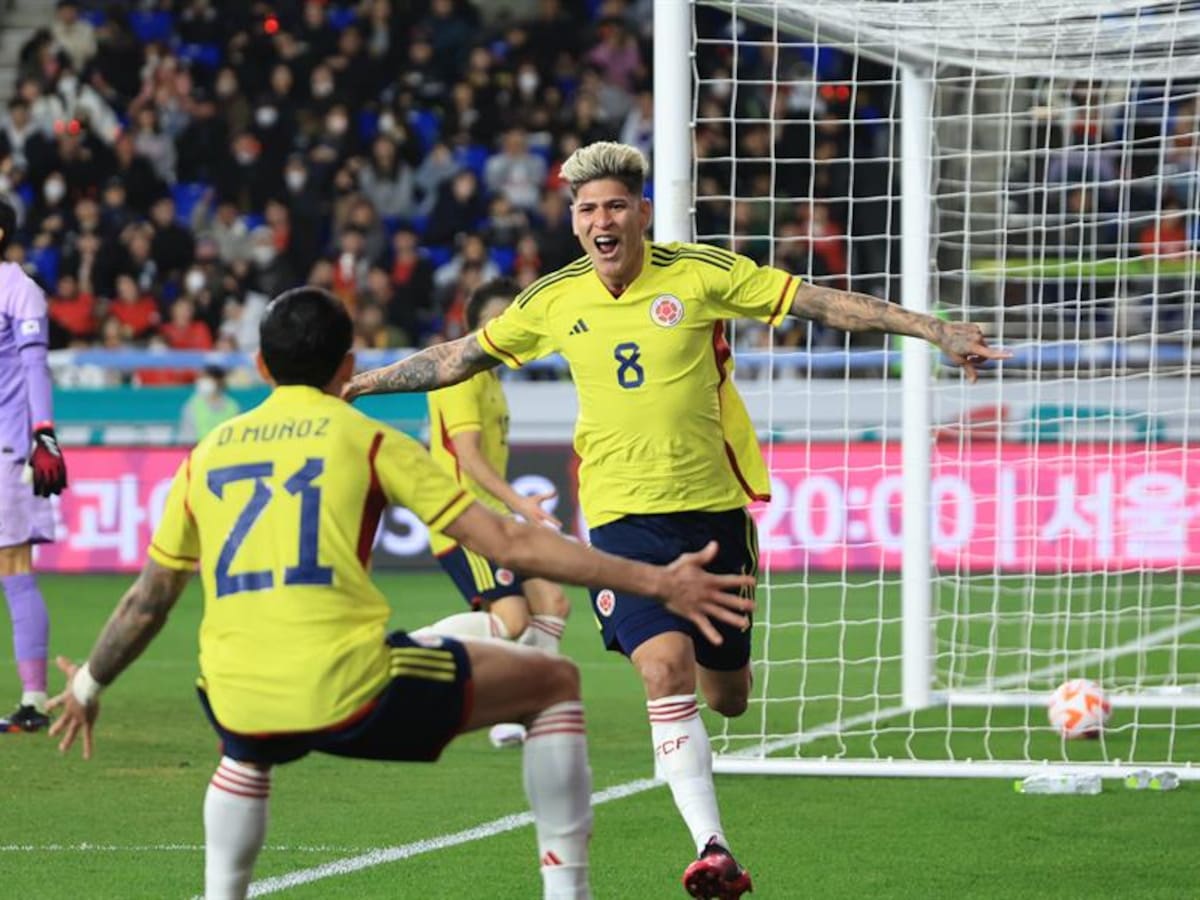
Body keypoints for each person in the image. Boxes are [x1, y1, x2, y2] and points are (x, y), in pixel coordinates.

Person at [342, 141, 1011, 899]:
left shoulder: (700, 273)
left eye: (616, 206)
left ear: (642, 214)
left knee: (727, 695)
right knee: (663, 668)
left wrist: (933, 329)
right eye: (588, 208)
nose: (603, 220)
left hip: (713, 511)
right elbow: (460, 356)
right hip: (623, 520)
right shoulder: (554, 299)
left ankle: (708, 728)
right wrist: (361, 383)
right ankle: (714, 848)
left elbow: (817, 301)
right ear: (573, 221)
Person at [48, 287, 755, 900]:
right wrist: (655, 581)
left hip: (232, 693)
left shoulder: (207, 455)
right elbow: (507, 545)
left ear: (260, 367)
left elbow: (150, 597)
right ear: (348, 367)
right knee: (555, 680)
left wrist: (88, 687)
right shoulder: (368, 439)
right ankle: (567, 888)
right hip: (346, 688)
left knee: (247, 747)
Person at [420, 277, 570, 749]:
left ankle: (528, 707)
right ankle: (409, 647)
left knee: (553, 604)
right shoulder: (459, 373)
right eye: (495, 321)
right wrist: (518, 502)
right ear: (475, 327)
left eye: (511, 320)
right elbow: (468, 456)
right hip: (467, 522)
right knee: (512, 621)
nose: (504, 329)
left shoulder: (491, 378)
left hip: (491, 520)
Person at [0, 199, 69, 734]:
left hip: (7, 453)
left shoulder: (18, 288)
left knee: (14, 569)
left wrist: (43, 434)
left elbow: (33, 365)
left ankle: (33, 700)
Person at [178, 365, 241, 443]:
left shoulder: (232, 406)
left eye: (207, 377)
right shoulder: (192, 405)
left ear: (219, 380)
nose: (202, 381)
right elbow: (187, 436)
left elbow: (236, 434)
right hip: (199, 451)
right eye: (201, 378)